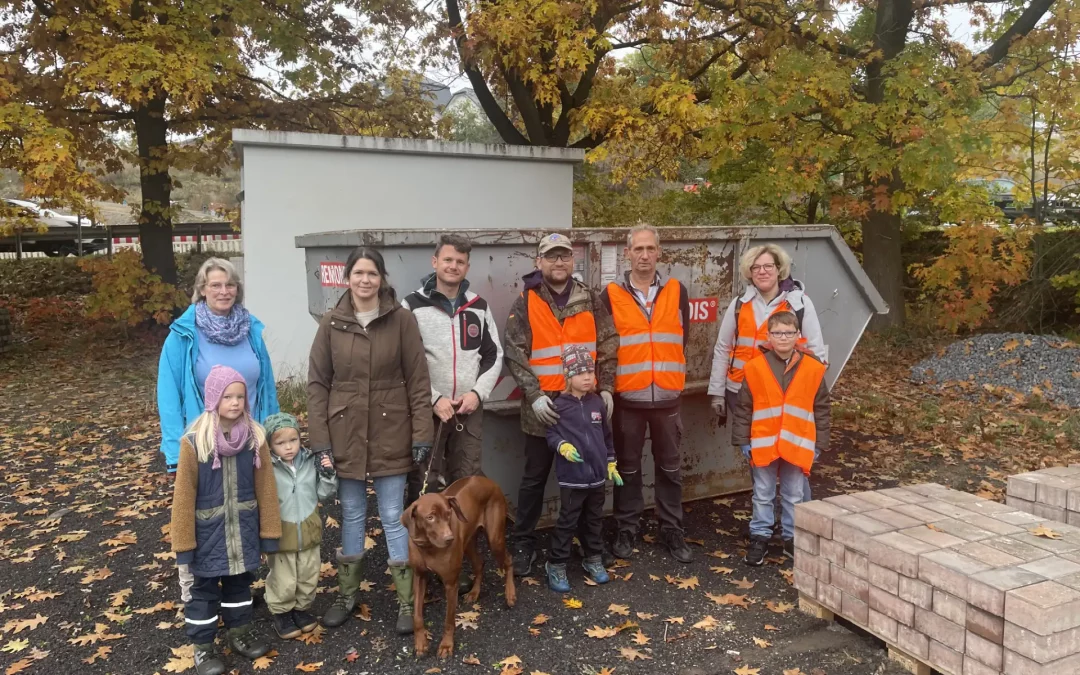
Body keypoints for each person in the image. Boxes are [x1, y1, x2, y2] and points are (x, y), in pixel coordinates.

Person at [307, 246, 434, 634]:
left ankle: (405, 600)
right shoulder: (331, 323)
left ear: (382, 279)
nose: (365, 280)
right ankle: (347, 596)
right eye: (358, 273)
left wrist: (421, 433)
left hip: (391, 430)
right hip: (345, 432)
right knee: (352, 514)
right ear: (348, 278)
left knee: (395, 516)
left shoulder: (402, 321)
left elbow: (418, 380)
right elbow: (317, 385)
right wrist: (321, 442)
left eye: (372, 274)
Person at [158, 257, 280, 603]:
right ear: (202, 290)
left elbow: (267, 386)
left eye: (230, 284)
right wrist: (173, 453)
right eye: (215, 285)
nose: (224, 291)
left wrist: (273, 433)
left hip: (250, 440)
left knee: (246, 511)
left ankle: (239, 593)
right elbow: (169, 396)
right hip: (204, 445)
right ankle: (196, 598)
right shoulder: (183, 335)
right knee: (201, 517)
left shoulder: (251, 331)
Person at [502, 232, 619, 577]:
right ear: (539, 262)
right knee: (534, 478)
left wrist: (608, 387)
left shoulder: (590, 298)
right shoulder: (526, 300)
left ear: (573, 261)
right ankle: (523, 542)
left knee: (588, 477)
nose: (558, 262)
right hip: (544, 407)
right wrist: (534, 395)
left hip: (583, 405)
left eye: (564, 256)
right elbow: (514, 351)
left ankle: (589, 544)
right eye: (551, 257)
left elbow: (609, 340)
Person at [170, 366, 281, 675]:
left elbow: (266, 490)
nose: (235, 402)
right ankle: (203, 648)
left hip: (243, 532)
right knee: (202, 595)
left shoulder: (255, 439)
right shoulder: (195, 443)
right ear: (213, 399)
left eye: (241, 396)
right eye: (228, 396)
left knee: (239, 587)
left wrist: (268, 533)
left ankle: (240, 634)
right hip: (207, 536)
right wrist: (184, 545)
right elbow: (182, 499)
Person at [600, 225, 693, 563]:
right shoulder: (610, 294)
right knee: (627, 469)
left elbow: (684, 336)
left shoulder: (677, 290)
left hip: (667, 396)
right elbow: (605, 346)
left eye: (649, 248)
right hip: (629, 397)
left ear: (659, 252)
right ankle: (627, 527)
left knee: (670, 467)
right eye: (637, 249)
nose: (643, 255)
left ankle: (671, 528)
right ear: (627, 253)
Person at [707, 244, 825, 505]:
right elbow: (723, 347)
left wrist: (814, 396)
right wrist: (717, 392)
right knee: (759, 461)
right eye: (756, 267)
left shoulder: (799, 304)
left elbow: (816, 350)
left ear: (779, 269)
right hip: (743, 395)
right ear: (749, 272)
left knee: (795, 460)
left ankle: (800, 524)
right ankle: (766, 522)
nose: (762, 272)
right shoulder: (739, 305)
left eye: (768, 266)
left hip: (788, 396)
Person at [403, 234, 503, 499]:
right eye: (448, 259)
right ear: (435, 262)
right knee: (424, 480)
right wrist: (433, 398)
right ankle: (420, 540)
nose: (453, 266)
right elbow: (404, 362)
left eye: (460, 261)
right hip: (427, 411)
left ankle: (462, 540)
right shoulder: (412, 305)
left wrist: (477, 394)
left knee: (466, 481)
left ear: (467, 267)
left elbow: (494, 356)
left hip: (467, 411)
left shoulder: (478, 306)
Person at [730, 312, 830, 566]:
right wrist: (742, 439)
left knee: (794, 493)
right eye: (777, 333)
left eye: (788, 333)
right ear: (768, 336)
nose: (782, 338)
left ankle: (792, 538)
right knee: (762, 493)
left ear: (798, 335)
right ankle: (760, 537)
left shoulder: (813, 367)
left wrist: (820, 443)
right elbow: (744, 407)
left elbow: (822, 408)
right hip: (763, 443)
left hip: (797, 443)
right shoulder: (755, 366)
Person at [543, 346, 623, 593]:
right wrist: (562, 446)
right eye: (580, 372)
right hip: (572, 479)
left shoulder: (597, 403)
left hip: (597, 478)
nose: (587, 377)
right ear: (568, 376)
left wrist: (610, 461)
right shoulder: (560, 405)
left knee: (594, 520)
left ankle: (593, 559)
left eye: (590, 371)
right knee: (568, 521)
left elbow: (606, 436)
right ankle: (556, 564)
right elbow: (550, 433)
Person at [262, 412, 338, 640]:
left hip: (308, 530)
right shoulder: (267, 468)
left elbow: (324, 493)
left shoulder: (308, 462)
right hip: (282, 534)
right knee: (284, 579)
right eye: (280, 443)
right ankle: (282, 612)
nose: (288, 447)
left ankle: (301, 609)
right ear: (270, 445)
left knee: (308, 574)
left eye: (293, 440)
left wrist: (328, 474)